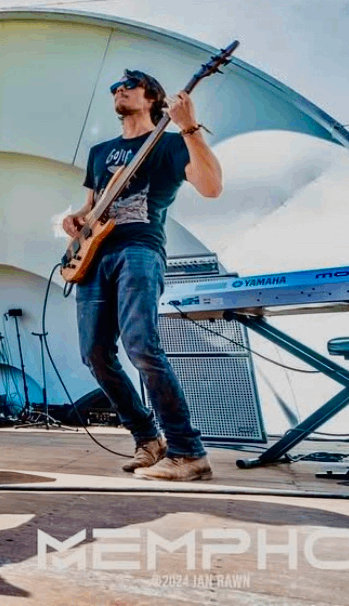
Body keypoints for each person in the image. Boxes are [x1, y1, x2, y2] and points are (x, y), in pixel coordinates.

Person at [62, 69, 223, 481]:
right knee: (95, 353)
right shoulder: (101, 151)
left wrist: (189, 129)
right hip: (95, 257)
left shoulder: (170, 144)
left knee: (141, 346)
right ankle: (148, 440)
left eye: (129, 86)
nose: (119, 90)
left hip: (139, 250)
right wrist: (76, 220)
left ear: (152, 96)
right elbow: (92, 206)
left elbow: (211, 188)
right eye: (115, 88)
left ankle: (189, 452)